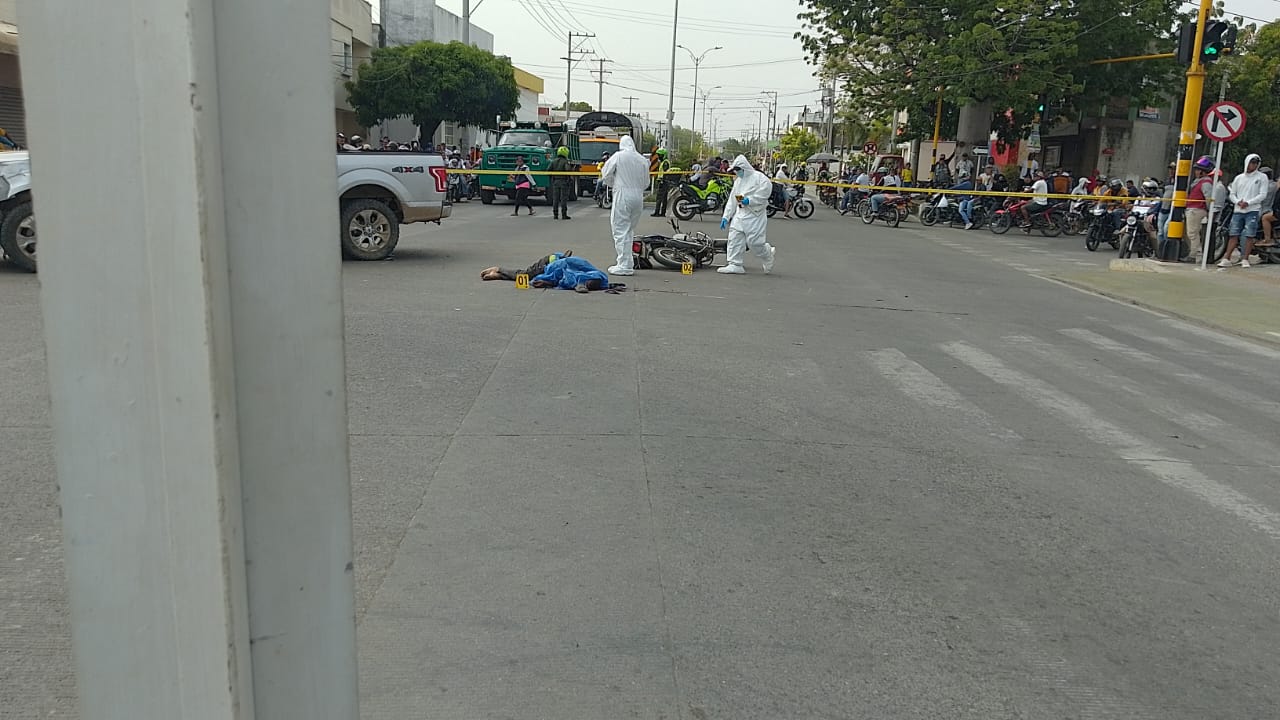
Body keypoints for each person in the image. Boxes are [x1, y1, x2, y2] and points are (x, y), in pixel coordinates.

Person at [717, 154, 776, 275]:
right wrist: (726, 217)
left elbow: (765, 192)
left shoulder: (760, 178)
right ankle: (735, 264)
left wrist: (751, 200)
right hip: (740, 214)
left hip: (755, 215)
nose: (737, 172)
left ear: (744, 168)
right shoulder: (738, 181)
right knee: (734, 239)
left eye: (738, 170)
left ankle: (767, 254)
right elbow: (732, 200)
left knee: (755, 243)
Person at [600, 135, 650, 276]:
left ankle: (624, 265)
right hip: (638, 196)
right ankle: (628, 262)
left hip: (623, 193)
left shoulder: (619, 156)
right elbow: (646, 182)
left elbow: (606, 173)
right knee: (629, 230)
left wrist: (613, 184)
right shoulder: (642, 160)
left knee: (620, 229)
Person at [1218, 153, 1270, 268]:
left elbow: (1262, 194)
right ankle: (1226, 258)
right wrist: (1238, 202)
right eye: (1252, 162)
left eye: (1256, 163)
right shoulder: (1239, 178)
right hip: (1238, 210)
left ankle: (1245, 258)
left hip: (1253, 210)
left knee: (1249, 235)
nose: (1253, 165)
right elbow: (1232, 193)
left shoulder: (1262, 177)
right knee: (1233, 234)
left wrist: (1249, 202)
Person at [1184, 155, 1216, 261]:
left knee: (1193, 233)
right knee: (1190, 233)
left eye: (1198, 170)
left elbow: (1208, 198)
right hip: (1192, 209)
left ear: (1203, 171)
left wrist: (1208, 210)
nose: (1196, 172)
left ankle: (1193, 255)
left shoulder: (1206, 182)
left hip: (1196, 210)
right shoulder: (1198, 181)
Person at [548, 146, 573, 220]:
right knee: (563, 199)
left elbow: (548, 170)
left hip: (555, 181)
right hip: (563, 182)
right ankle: (564, 215)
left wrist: (552, 177)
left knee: (555, 199)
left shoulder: (553, 161)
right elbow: (567, 170)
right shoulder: (565, 161)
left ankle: (555, 215)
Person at [651, 148, 673, 217]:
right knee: (664, 198)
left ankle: (657, 212)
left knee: (659, 198)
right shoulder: (664, 162)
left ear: (663, 155)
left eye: (660, 155)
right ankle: (662, 213)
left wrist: (662, 180)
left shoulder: (665, 162)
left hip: (663, 182)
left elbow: (665, 173)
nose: (658, 156)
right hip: (664, 182)